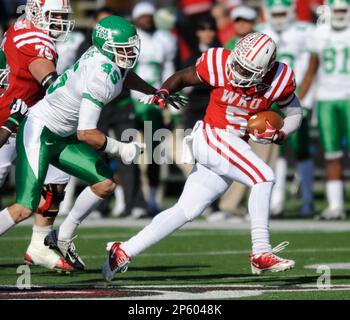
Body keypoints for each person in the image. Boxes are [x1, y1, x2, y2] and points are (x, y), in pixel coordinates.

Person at [102, 32, 303, 281]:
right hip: (212, 136)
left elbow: (294, 113)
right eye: (238, 63)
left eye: (246, 69)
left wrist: (281, 133)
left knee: (185, 210)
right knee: (264, 177)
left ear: (266, 69)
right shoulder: (220, 61)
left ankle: (122, 251)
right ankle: (261, 251)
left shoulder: (280, 79)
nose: (238, 71)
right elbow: (182, 77)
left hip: (232, 146)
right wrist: (164, 90)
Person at [0, 16, 185, 271]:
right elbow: (87, 133)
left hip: (61, 134)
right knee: (24, 208)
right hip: (40, 131)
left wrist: (153, 91)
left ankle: (63, 236)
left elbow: (126, 75)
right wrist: (122, 148)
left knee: (105, 184)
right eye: (124, 48)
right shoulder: (100, 74)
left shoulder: (108, 59)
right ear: (107, 46)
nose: (130, 53)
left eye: (131, 46)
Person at [0, 0, 76, 272]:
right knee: (21, 202)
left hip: (31, 119)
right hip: (9, 120)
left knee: (57, 176)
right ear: (35, 12)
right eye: (54, 16)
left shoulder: (23, 27)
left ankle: (39, 244)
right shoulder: (36, 39)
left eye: (62, 16)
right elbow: (48, 80)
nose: (60, 23)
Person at [258, 0, 315, 217]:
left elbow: (312, 65)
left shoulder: (304, 31)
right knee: (274, 150)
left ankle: (307, 202)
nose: (279, 17)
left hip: (297, 95)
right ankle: (276, 201)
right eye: (276, 13)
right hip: (270, 98)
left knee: (301, 148)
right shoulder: (262, 31)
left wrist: (306, 98)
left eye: (283, 13)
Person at [299, 0, 350, 220]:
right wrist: (299, 100)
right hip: (327, 100)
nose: (339, 14)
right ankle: (335, 205)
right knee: (331, 155)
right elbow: (311, 70)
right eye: (336, 10)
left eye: (343, 10)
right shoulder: (319, 33)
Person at [131, 2, 178, 216]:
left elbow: (168, 70)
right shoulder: (131, 38)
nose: (147, 19)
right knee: (128, 154)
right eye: (143, 16)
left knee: (155, 154)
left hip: (154, 104)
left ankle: (151, 199)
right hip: (131, 101)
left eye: (150, 15)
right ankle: (131, 201)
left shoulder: (165, 39)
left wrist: (169, 100)